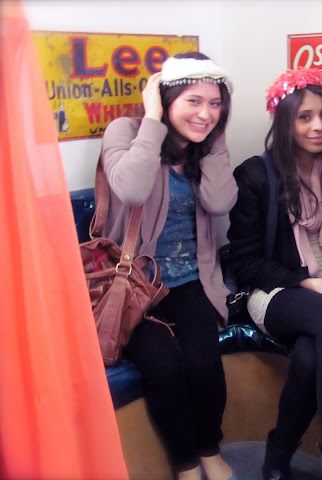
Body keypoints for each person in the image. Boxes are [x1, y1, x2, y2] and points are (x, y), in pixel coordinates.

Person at [226, 68, 322, 480]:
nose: (318, 126)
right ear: (284, 121)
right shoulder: (256, 175)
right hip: (277, 291)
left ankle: (276, 459)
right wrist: (307, 282)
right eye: (304, 116)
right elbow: (245, 262)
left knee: (311, 358)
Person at [100, 52, 238, 480]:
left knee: (204, 363)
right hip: (132, 284)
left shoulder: (206, 145)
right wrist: (153, 119)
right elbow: (132, 189)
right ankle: (185, 463)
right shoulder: (125, 131)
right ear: (165, 97)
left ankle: (209, 449)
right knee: (163, 367)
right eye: (194, 101)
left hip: (191, 280)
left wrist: (215, 138)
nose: (205, 114)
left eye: (215, 104)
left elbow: (220, 201)